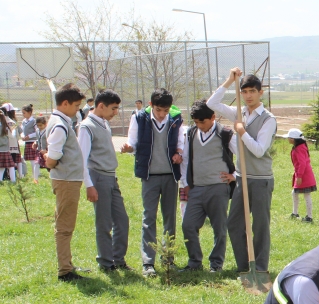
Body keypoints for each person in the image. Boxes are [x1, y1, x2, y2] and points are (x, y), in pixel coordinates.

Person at [207, 68, 277, 277]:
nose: (248, 95)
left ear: (260, 92)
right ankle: (244, 265)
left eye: (252, 91)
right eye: (244, 91)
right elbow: (212, 104)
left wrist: (241, 131)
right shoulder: (240, 111)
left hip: (261, 179)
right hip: (241, 177)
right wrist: (229, 80)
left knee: (260, 225)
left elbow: (258, 150)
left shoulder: (268, 119)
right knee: (234, 223)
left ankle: (261, 267)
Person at [120, 88, 185, 277]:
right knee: (149, 218)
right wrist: (128, 147)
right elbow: (133, 141)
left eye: (165, 110)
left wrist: (179, 154)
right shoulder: (140, 118)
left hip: (170, 175)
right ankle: (148, 262)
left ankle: (168, 258)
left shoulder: (175, 118)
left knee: (169, 218)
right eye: (158, 110)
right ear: (150, 105)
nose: (162, 114)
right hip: (149, 176)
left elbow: (180, 141)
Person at [178, 99, 235, 273]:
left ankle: (216, 264)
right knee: (188, 225)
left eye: (202, 122)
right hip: (196, 187)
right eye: (195, 122)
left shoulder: (225, 134)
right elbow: (186, 159)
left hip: (218, 187)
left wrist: (234, 175)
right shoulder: (190, 134)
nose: (199, 125)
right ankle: (194, 262)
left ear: (213, 117)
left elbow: (242, 154)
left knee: (219, 228)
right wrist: (185, 183)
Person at [77, 90, 131, 272]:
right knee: (104, 223)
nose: (116, 112)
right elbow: (82, 159)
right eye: (113, 108)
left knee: (122, 220)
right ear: (101, 106)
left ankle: (118, 259)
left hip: (110, 177)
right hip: (98, 177)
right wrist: (89, 185)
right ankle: (106, 263)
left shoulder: (104, 124)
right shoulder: (86, 127)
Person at [43, 84, 88, 282]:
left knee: (65, 223)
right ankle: (64, 271)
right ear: (65, 103)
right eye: (76, 105)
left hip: (67, 179)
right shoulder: (60, 125)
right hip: (66, 180)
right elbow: (53, 154)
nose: (78, 109)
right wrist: (50, 163)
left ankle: (67, 264)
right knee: (65, 226)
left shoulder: (60, 121)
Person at [285, 128, 317, 223]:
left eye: (289, 138)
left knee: (304, 194)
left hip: (304, 175)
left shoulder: (299, 149)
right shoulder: (300, 147)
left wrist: (299, 176)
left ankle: (308, 216)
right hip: (304, 173)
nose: (288, 139)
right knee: (297, 193)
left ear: (293, 139)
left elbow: (302, 163)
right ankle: (297, 213)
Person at [20, 104, 40, 182]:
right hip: (27, 142)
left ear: (29, 112)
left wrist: (30, 136)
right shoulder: (24, 121)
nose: (23, 114)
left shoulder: (33, 121)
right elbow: (21, 130)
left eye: (24, 113)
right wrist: (22, 136)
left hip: (32, 141)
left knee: (33, 159)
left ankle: (35, 174)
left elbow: (37, 131)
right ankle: (34, 173)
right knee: (31, 159)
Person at [0, 110, 15, 182]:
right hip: (5, 149)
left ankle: (0, 180)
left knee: (1, 167)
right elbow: (12, 137)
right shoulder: (5, 128)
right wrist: (13, 130)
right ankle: (13, 181)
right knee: (11, 166)